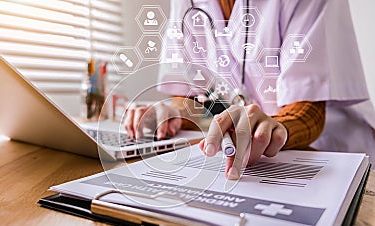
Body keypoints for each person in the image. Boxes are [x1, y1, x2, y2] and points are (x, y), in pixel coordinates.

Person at [124, 0, 375, 179]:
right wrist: (171, 111)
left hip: (329, 153)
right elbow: (196, 97)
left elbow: (309, 110)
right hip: (251, 153)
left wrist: (274, 127)